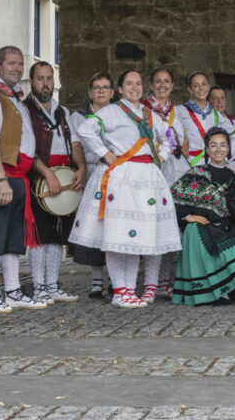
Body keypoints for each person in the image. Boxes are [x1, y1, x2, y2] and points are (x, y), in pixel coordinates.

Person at [69, 69, 181, 308]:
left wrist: (160, 156)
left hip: (148, 179)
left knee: (136, 237)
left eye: (138, 83)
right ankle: (121, 291)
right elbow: (85, 130)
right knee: (119, 235)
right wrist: (104, 153)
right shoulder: (111, 112)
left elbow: (169, 136)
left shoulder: (150, 115)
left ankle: (129, 290)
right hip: (123, 178)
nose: (135, 87)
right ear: (119, 89)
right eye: (129, 83)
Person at [0, 46, 47, 312]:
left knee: (14, 236)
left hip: (16, 176)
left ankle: (13, 291)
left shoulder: (13, 96)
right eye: (11, 63)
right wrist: (0, 180)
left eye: (19, 64)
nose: (16, 68)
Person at [170, 128, 235, 305]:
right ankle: (212, 291)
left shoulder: (233, 176)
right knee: (205, 242)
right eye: (214, 145)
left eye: (223, 145)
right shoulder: (197, 172)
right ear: (207, 150)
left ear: (228, 149)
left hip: (225, 223)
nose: (219, 149)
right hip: (202, 225)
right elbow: (174, 195)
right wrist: (187, 216)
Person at [24, 61, 88, 304]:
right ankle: (39, 286)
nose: (45, 84)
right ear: (31, 82)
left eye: (49, 78)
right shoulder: (25, 110)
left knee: (57, 236)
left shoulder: (63, 112)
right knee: (40, 236)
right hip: (40, 177)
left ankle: (52, 285)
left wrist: (80, 167)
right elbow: (27, 149)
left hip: (63, 177)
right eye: (40, 78)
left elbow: (74, 144)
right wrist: (47, 174)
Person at [68, 72, 114, 299]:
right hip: (94, 170)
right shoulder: (78, 116)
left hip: (115, 174)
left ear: (113, 92)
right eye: (97, 87)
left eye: (105, 87)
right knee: (94, 227)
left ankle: (116, 280)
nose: (101, 91)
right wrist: (82, 168)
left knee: (114, 227)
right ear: (90, 92)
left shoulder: (119, 114)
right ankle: (97, 281)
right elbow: (76, 144)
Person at [176, 73, 235, 180]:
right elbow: (169, 136)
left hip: (213, 165)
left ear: (208, 86)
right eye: (196, 85)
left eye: (204, 84)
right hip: (190, 164)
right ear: (189, 89)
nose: (201, 88)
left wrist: (223, 156)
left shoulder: (216, 114)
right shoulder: (180, 111)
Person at [142, 68, 189, 186]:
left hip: (174, 163)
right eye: (158, 81)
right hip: (152, 161)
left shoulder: (176, 110)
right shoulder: (142, 109)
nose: (162, 85)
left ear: (172, 86)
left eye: (166, 81)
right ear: (151, 85)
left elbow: (183, 140)